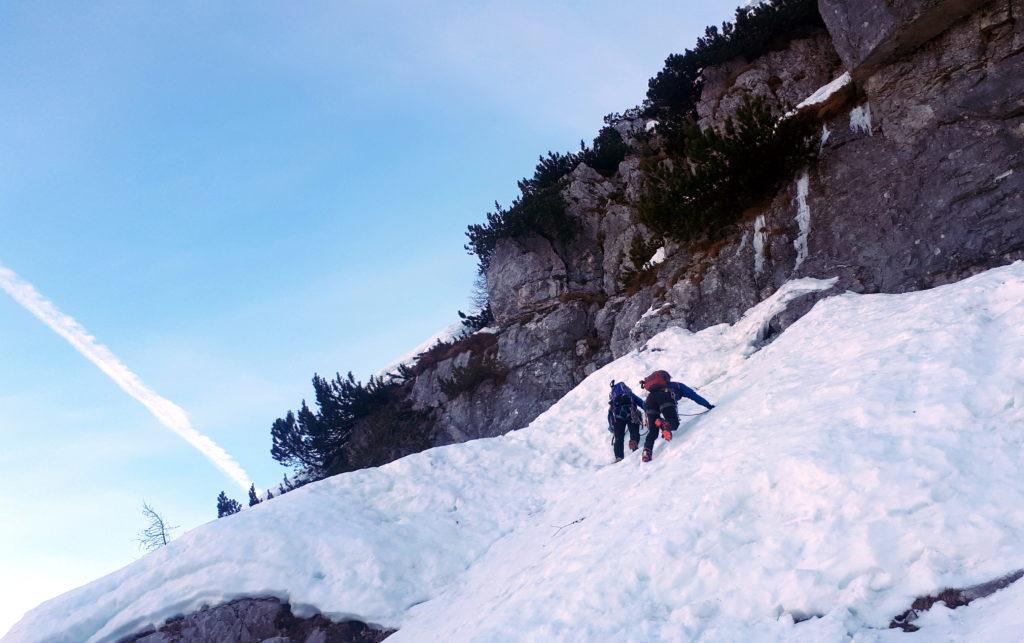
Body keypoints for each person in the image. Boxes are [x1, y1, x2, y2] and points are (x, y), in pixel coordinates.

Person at [639, 370, 714, 462]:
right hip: (664, 396)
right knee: (673, 424)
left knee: (653, 431)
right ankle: (664, 424)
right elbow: (694, 396)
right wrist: (708, 405)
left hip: (649, 401)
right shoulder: (677, 386)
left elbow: (645, 406)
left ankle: (646, 451)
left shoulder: (652, 391)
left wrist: (649, 414)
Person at [607, 380, 645, 462]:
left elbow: (610, 414)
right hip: (630, 412)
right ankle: (634, 441)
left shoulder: (613, 400)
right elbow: (640, 402)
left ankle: (618, 456)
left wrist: (611, 427)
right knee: (634, 430)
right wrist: (649, 409)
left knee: (618, 438)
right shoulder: (629, 394)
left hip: (618, 416)